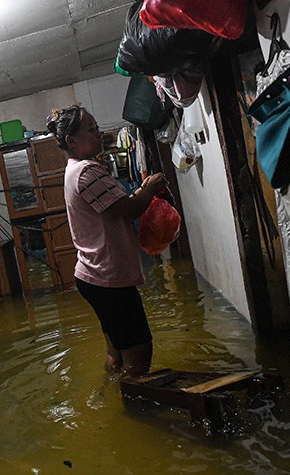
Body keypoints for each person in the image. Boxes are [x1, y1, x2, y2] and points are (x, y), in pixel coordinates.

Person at [47, 105, 167, 377]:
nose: (98, 133)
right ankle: (134, 410)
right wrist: (149, 188)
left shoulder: (76, 170)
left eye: (96, 126)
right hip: (107, 277)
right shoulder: (88, 172)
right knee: (138, 353)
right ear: (71, 140)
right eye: (91, 129)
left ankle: (108, 396)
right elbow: (129, 209)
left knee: (116, 350)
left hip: (93, 275)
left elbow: (117, 204)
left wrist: (138, 192)